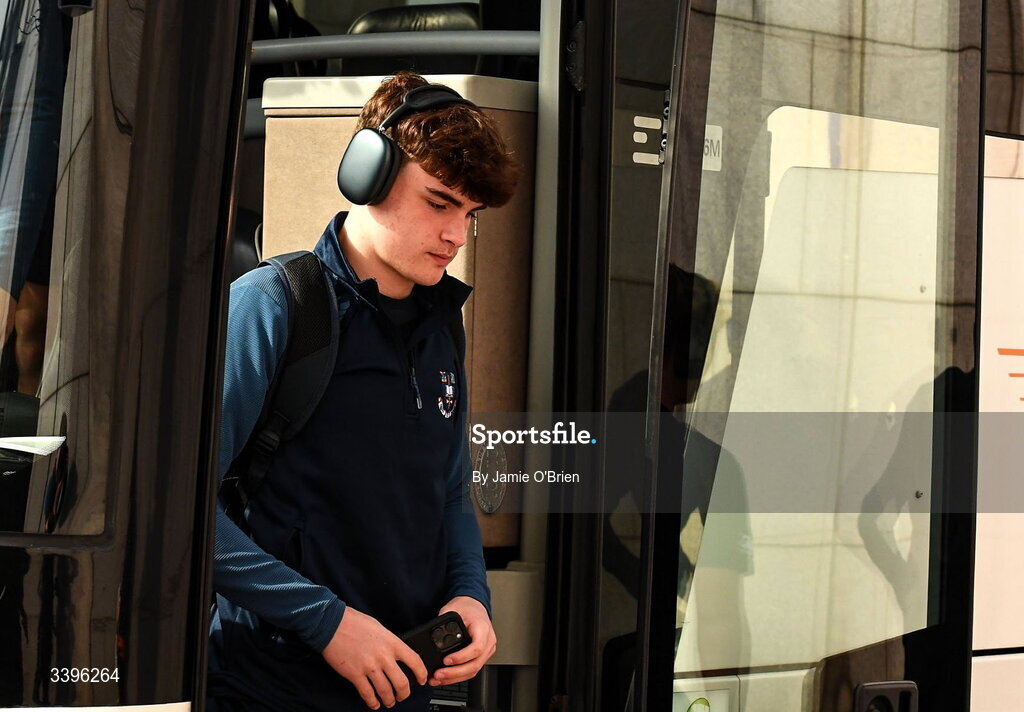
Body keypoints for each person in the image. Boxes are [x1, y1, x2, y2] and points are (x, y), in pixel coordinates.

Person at [207, 72, 520, 712]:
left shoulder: (442, 325)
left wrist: (471, 594)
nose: (457, 236)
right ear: (367, 177)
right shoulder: (272, 306)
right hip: (265, 688)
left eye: (469, 214)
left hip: (403, 688)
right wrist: (325, 621)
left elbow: (450, 489)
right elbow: (179, 512)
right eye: (439, 203)